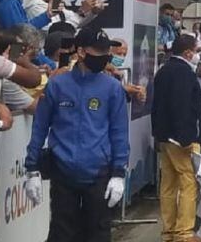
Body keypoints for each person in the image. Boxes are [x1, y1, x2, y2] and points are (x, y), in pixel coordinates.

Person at [24, 27, 129, 242]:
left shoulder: (112, 88)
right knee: (61, 234)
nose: (104, 57)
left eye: (105, 52)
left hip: (99, 172)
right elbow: (40, 127)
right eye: (98, 51)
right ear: (81, 52)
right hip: (63, 171)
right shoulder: (57, 85)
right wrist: (32, 168)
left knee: (98, 234)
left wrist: (119, 173)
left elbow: (119, 132)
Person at [151, 33, 201, 242]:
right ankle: (184, 233)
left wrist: (158, 134)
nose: (197, 55)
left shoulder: (163, 70)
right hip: (180, 138)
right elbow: (181, 106)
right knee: (188, 182)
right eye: (197, 51)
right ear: (188, 52)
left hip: (165, 136)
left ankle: (169, 231)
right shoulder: (184, 73)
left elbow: (156, 106)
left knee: (168, 185)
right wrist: (186, 138)